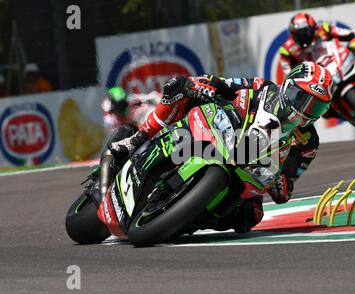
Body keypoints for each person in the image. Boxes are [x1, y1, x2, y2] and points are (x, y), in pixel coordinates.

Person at [103, 62, 333, 233]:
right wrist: (203, 85)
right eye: (302, 98)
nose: (305, 109)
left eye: (315, 107)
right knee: (180, 87)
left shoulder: (307, 143)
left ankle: (186, 220)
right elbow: (222, 84)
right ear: (289, 86)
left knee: (250, 217)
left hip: (251, 167)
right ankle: (136, 140)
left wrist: (278, 182)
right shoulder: (263, 87)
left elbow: (287, 187)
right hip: (223, 132)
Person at [279, 12, 355, 88]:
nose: (303, 37)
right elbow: (288, 74)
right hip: (317, 78)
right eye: (298, 34)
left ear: (313, 28)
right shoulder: (287, 50)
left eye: (305, 32)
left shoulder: (324, 29)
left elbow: (350, 33)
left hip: (338, 62)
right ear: (292, 34)